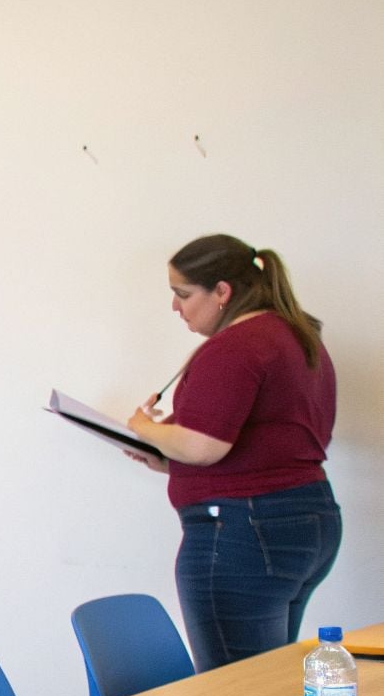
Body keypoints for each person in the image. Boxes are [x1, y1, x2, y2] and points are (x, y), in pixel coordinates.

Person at [124, 235, 340, 671]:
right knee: (266, 682)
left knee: (235, 694)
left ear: (222, 291)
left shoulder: (237, 346)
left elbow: (204, 447)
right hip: (306, 519)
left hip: (242, 533)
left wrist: (144, 427)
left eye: (183, 294)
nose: (175, 307)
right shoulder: (298, 336)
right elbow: (272, 442)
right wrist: (169, 458)